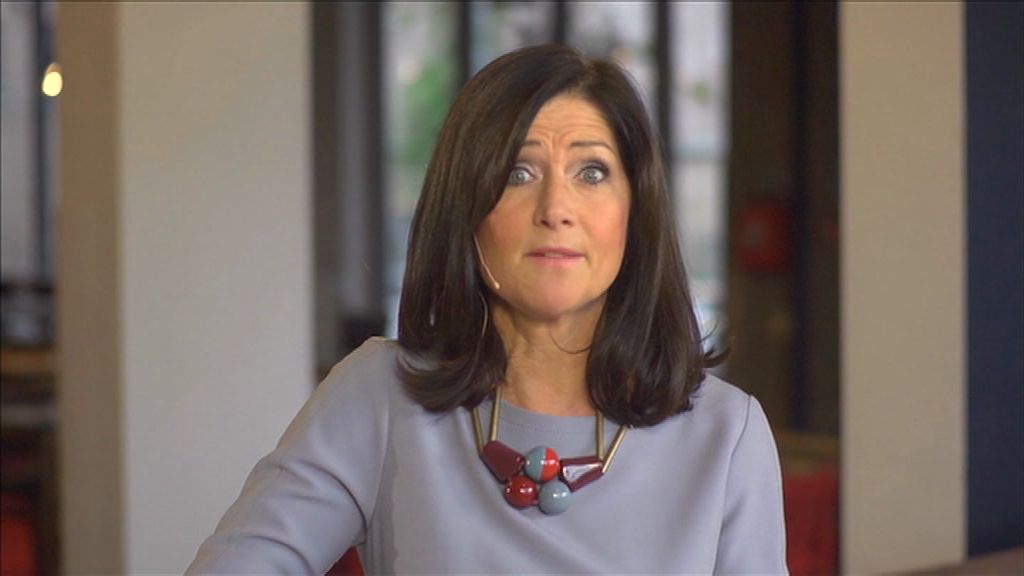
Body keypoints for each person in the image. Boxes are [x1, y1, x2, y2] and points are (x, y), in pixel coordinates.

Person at [187, 43, 787, 574]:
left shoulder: (726, 434)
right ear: (466, 209)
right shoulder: (379, 395)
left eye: (591, 172)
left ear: (636, 211)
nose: (556, 208)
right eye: (518, 172)